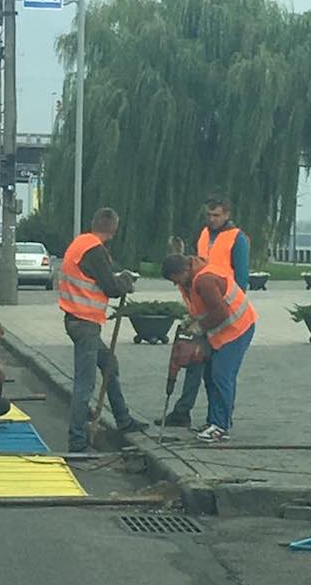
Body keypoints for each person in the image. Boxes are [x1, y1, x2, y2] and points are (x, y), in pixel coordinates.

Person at [156, 194, 251, 428]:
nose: (212, 219)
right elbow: (192, 266)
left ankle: (219, 422)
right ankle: (192, 414)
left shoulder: (237, 238)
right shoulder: (204, 235)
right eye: (208, 215)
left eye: (216, 215)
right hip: (206, 308)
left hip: (222, 309)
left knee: (220, 373)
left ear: (227, 214)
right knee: (197, 364)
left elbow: (241, 277)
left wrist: (210, 317)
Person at [59, 207, 149, 452]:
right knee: (84, 384)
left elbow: (99, 276)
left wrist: (118, 278)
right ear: (114, 228)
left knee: (109, 363)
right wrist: (125, 284)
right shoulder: (94, 250)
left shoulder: (80, 244)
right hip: (85, 323)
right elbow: (110, 287)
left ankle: (123, 419)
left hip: (76, 319)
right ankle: (76, 440)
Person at [162, 253, 257, 443]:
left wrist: (200, 326)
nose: (175, 284)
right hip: (221, 331)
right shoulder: (189, 280)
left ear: (184, 271)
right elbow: (201, 306)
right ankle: (213, 421)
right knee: (211, 375)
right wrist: (193, 318)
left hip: (237, 328)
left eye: (175, 279)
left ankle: (221, 427)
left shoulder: (205, 280)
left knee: (222, 375)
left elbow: (220, 312)